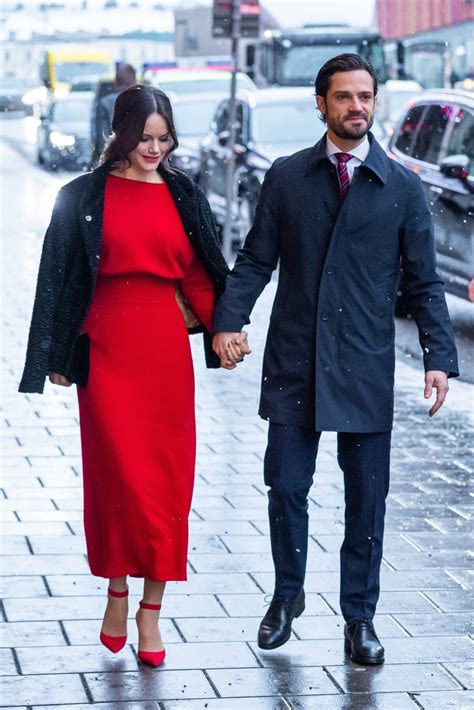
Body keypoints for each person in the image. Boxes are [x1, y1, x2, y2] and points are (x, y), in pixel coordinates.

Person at [212, 54, 459, 666]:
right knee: (286, 487)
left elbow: (425, 283)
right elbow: (255, 260)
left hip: (364, 364)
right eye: (344, 97)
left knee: (366, 498)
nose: (356, 108)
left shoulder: (400, 187)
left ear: (376, 103)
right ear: (320, 104)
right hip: (296, 359)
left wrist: (438, 357)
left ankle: (360, 619)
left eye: (365, 97)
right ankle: (286, 598)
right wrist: (228, 321)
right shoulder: (288, 177)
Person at [19, 84, 248, 667]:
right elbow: (56, 276)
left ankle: (151, 609)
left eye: (163, 138)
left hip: (164, 354)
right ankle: (116, 591)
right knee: (117, 478)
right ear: (120, 134)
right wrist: (53, 356)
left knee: (165, 484)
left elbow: (200, 273)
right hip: (106, 350)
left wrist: (226, 327)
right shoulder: (81, 196)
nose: (154, 148)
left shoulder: (184, 193)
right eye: (143, 137)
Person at [91, 63, 137, 165]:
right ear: (135, 82)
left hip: (114, 162)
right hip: (136, 162)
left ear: (115, 82)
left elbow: (101, 137)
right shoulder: (142, 102)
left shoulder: (105, 103)